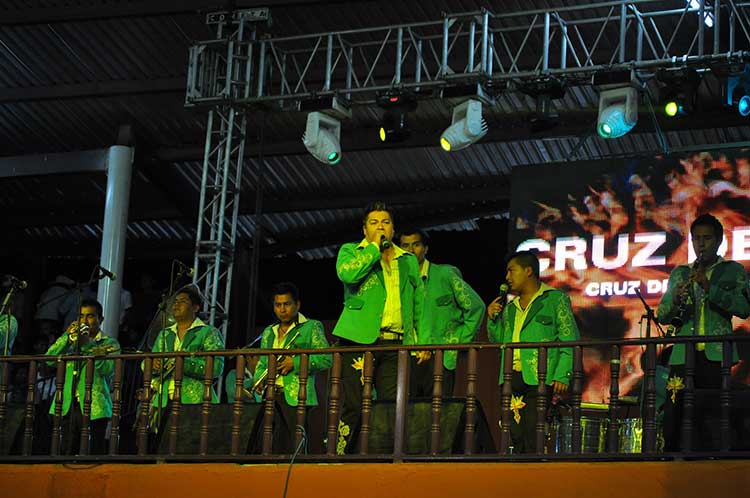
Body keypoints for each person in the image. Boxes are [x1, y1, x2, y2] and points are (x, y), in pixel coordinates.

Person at [333, 201, 424, 454]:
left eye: (385, 222)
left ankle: (384, 455)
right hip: (358, 340)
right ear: (364, 229)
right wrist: (374, 248)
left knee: (391, 404)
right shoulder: (352, 251)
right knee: (354, 403)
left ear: (393, 228)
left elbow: (418, 303)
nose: (380, 226)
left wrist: (418, 342)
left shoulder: (407, 260)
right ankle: (342, 455)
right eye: (374, 223)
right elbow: (348, 275)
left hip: (395, 342)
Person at [657, 213, 750, 450]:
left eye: (707, 238)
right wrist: (676, 299)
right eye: (696, 238)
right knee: (674, 410)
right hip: (682, 355)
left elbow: (743, 308)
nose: (701, 243)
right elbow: (663, 315)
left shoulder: (733, 271)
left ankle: (712, 464)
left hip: (716, 355)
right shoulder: (680, 273)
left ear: (719, 241)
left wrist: (711, 288)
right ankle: (674, 460)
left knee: (712, 414)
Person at [487, 251, 579, 454]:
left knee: (532, 432)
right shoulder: (510, 308)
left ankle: (534, 477)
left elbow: (569, 339)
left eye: (512, 271)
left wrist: (562, 374)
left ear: (528, 271)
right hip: (511, 376)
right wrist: (492, 319)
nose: (507, 277)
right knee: (515, 433)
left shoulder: (555, 299)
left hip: (539, 376)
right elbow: (498, 341)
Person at [398, 229, 485, 397]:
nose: (410, 250)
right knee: (409, 417)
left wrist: (458, 341)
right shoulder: (399, 280)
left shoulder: (444, 274)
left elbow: (476, 307)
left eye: (416, 245)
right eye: (405, 246)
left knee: (439, 416)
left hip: (440, 356)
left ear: (425, 248)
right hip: (408, 357)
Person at [249, 282, 331, 453]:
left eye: (287, 304)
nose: (282, 309)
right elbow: (263, 363)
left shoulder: (311, 326)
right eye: (278, 305)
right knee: (264, 446)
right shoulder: (268, 332)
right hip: (270, 394)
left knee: (294, 447)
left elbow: (326, 358)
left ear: (297, 305)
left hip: (297, 396)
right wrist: (258, 380)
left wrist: (295, 363)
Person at [44, 299, 120, 455]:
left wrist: (86, 344)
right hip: (67, 404)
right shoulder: (70, 341)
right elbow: (49, 359)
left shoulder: (110, 343)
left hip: (95, 407)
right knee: (65, 452)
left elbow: (107, 369)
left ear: (101, 319)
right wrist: (67, 336)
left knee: (92, 452)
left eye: (90, 316)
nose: (84, 321)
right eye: (81, 316)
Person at [147, 285, 224, 434]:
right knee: (159, 446)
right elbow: (147, 362)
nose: (176, 304)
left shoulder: (208, 332)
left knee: (188, 445)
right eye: (175, 301)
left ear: (195, 308)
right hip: (162, 400)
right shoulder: (165, 333)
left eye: (182, 301)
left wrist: (183, 363)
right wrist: (152, 365)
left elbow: (216, 367)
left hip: (194, 400)